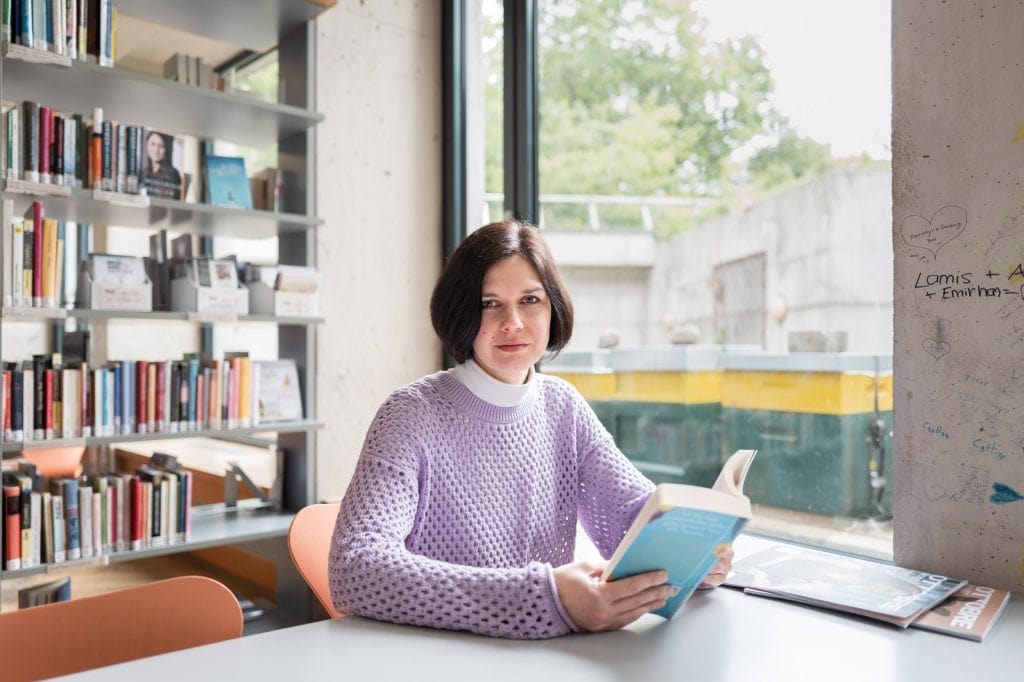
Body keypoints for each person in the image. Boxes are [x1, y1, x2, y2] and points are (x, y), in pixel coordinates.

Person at [328, 220, 732, 639]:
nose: (513, 322)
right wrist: (542, 599)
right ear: (460, 311)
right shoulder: (410, 414)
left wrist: (695, 552)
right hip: (439, 657)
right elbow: (355, 568)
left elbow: (633, 518)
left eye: (530, 300)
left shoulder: (563, 406)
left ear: (552, 307)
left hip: (548, 658)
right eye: (489, 303)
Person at [141, 130, 182, 199]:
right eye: (153, 144)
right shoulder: (145, 172)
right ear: (146, 147)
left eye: (161, 146)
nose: (156, 150)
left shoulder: (172, 173)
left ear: (166, 150)